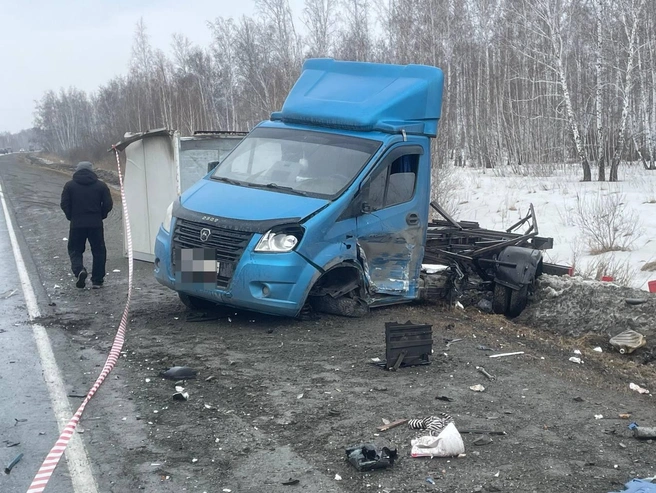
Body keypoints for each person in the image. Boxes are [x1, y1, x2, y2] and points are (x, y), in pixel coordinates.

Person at [60, 161, 113, 289]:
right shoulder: (101, 186)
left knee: (75, 250)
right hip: (95, 224)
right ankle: (97, 280)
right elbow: (108, 204)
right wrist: (101, 215)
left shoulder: (69, 186)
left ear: (77, 171)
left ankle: (79, 271)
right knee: (99, 251)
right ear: (91, 171)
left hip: (77, 224)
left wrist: (71, 216)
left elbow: (64, 204)